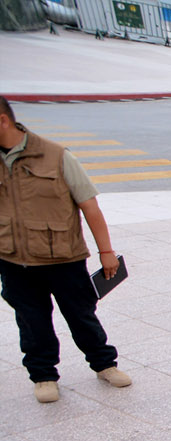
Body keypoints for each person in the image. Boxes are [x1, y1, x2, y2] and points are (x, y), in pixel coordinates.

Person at [0, 95, 131, 404]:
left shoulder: (55, 156)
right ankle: (43, 375)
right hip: (13, 258)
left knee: (81, 315)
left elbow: (90, 206)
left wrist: (106, 252)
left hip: (63, 256)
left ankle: (104, 364)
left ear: (2, 121)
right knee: (31, 321)